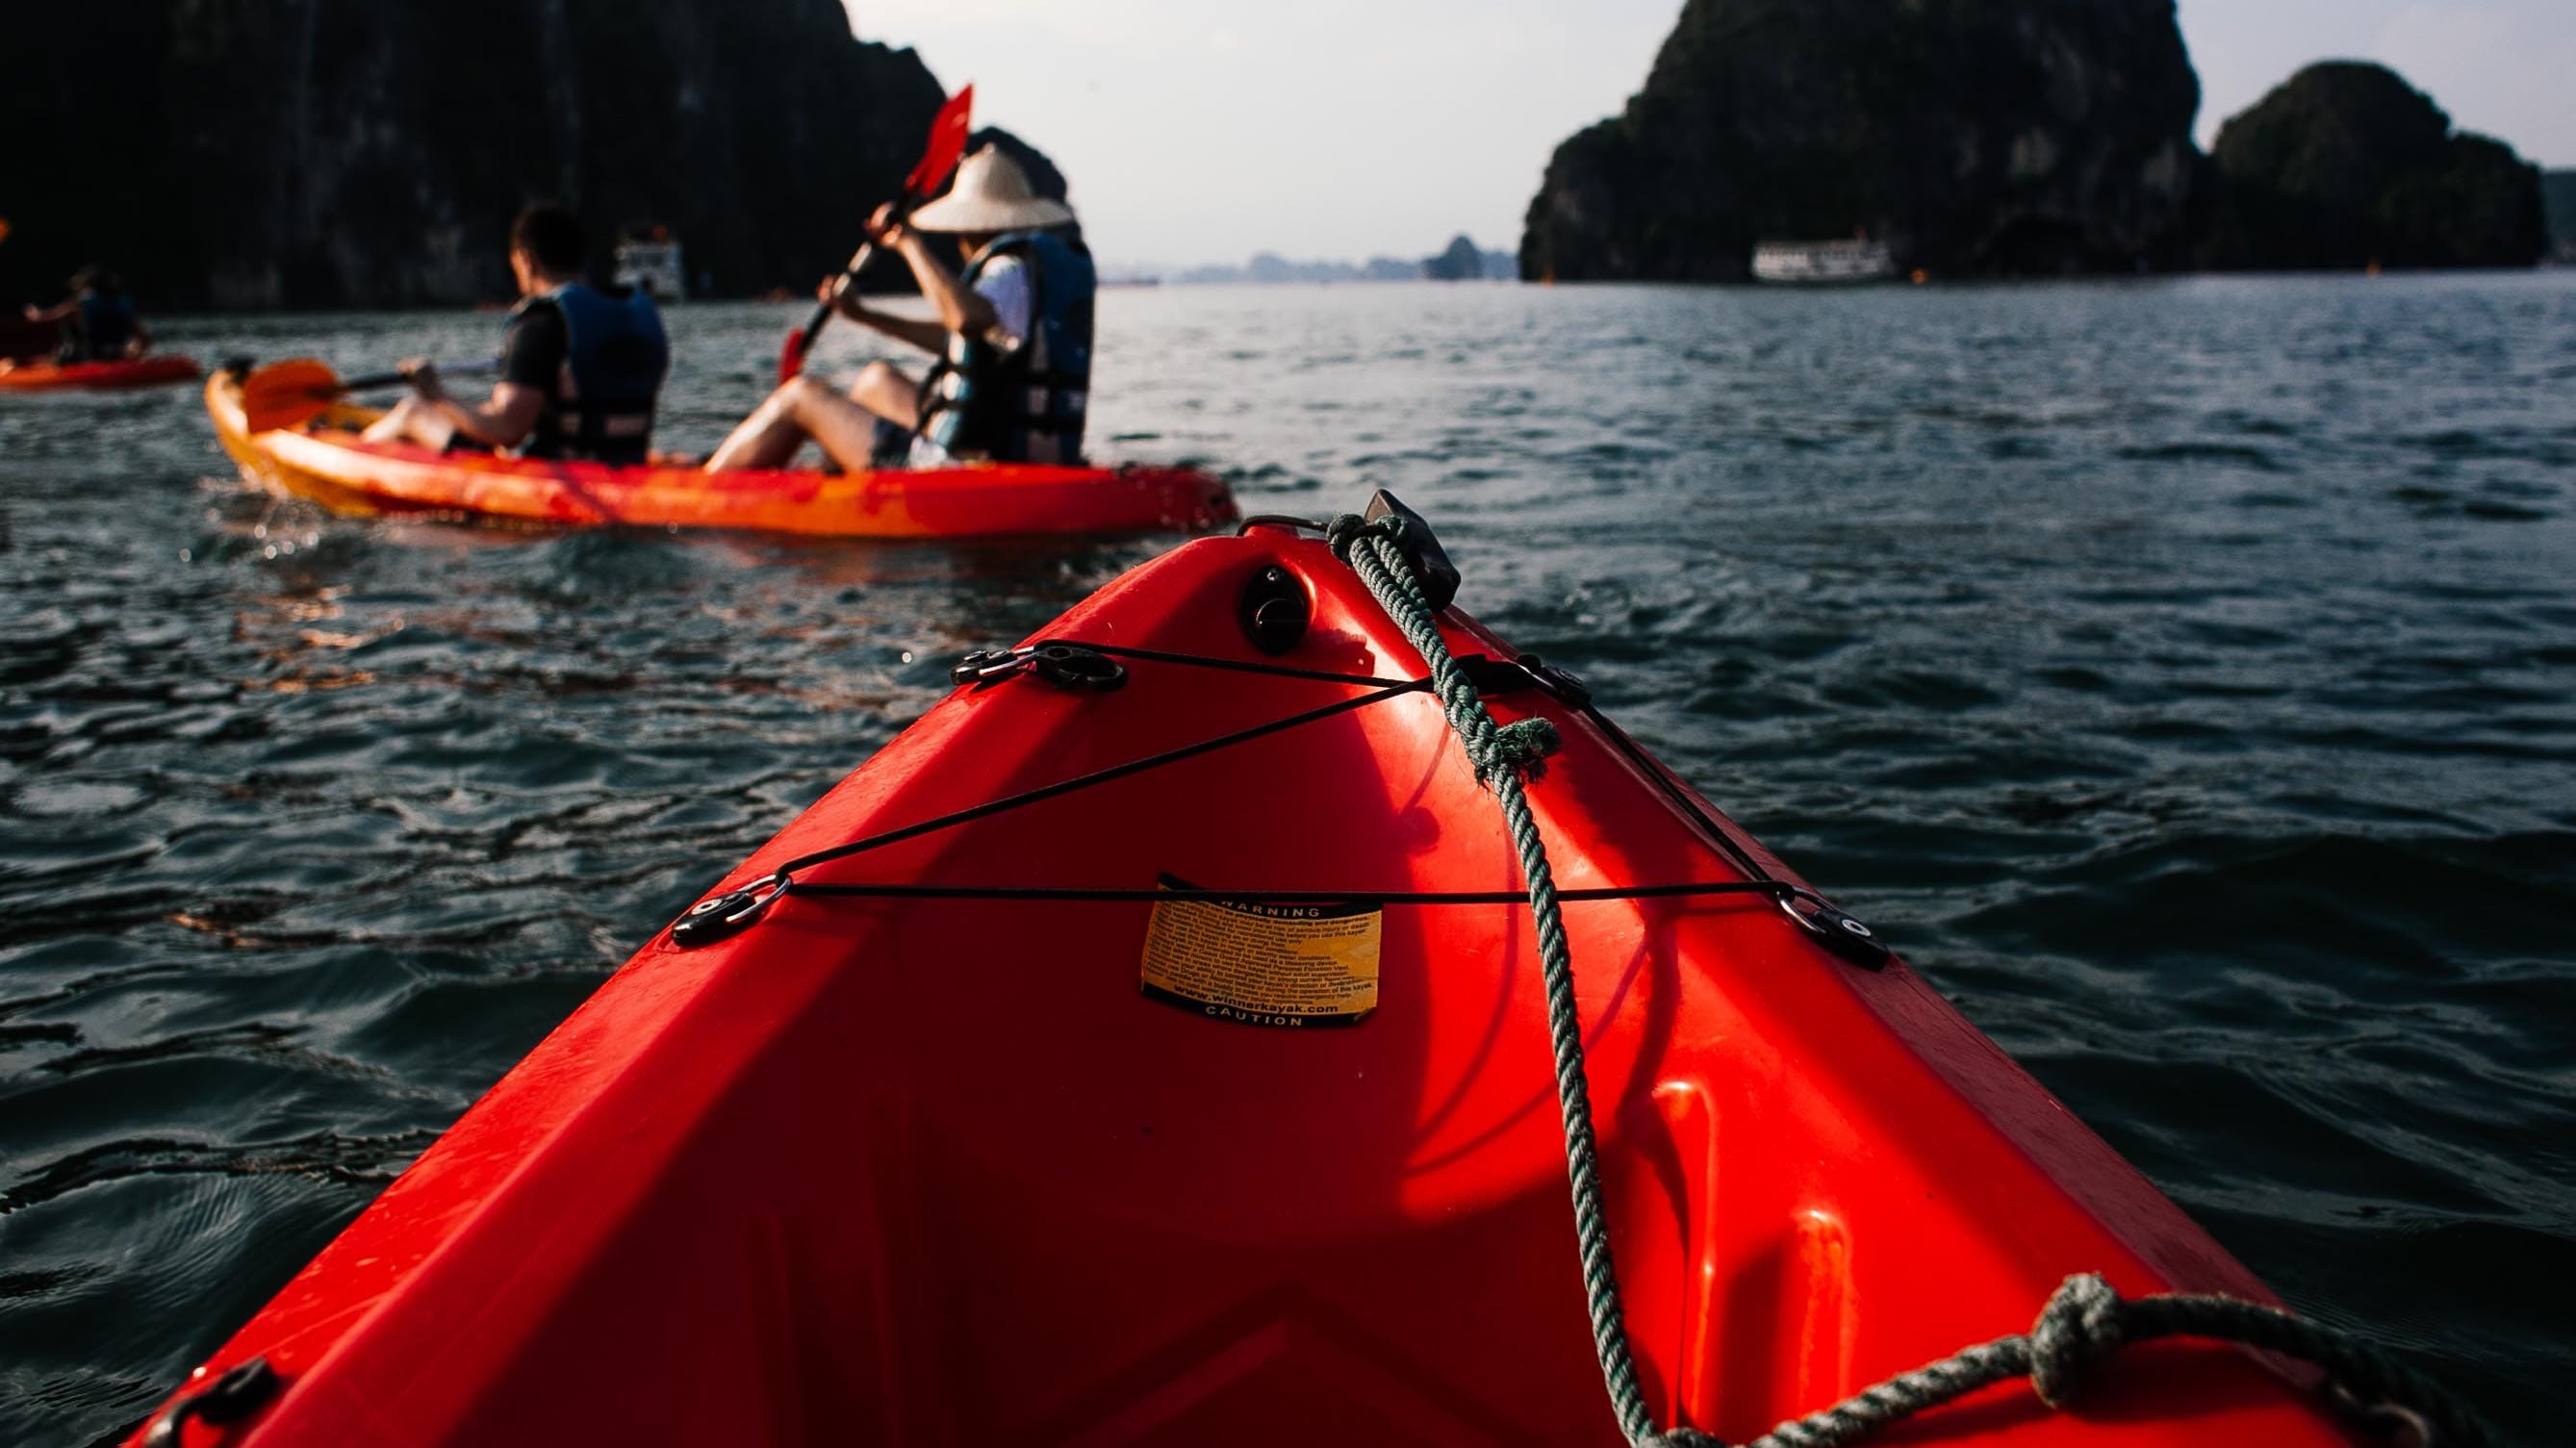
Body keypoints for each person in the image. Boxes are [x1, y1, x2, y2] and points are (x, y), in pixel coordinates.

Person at [706, 146, 1095, 473]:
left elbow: (965, 319)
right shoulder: (1028, 271)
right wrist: (865, 315)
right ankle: (836, 486)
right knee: (875, 381)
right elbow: (962, 340)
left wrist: (909, 244)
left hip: (964, 463)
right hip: (1007, 444)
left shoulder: (1004, 271)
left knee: (800, 395)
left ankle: (709, 486)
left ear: (967, 226)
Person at [365, 203, 670, 464]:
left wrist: (435, 393)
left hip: (557, 475)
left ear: (526, 261)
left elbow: (507, 431)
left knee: (412, 412)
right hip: (623, 462)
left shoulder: (541, 322)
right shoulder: (637, 311)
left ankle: (344, 450)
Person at [22, 267, 150, 364]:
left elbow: (42, 317)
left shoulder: (83, 302)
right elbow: (144, 337)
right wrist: (136, 354)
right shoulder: (122, 303)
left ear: (89, 287)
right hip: (119, 353)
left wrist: (32, 312)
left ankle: (57, 359)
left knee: (70, 321)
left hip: (90, 356)